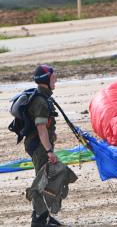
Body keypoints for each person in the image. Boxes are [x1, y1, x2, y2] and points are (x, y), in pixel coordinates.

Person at [22, 65, 77, 227]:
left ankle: (43, 216)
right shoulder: (40, 101)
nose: (56, 80)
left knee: (44, 180)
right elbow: (40, 128)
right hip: (39, 146)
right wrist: (48, 150)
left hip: (41, 143)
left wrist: (51, 137)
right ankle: (38, 220)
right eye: (53, 78)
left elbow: (45, 126)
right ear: (46, 80)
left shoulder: (44, 97)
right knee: (42, 182)